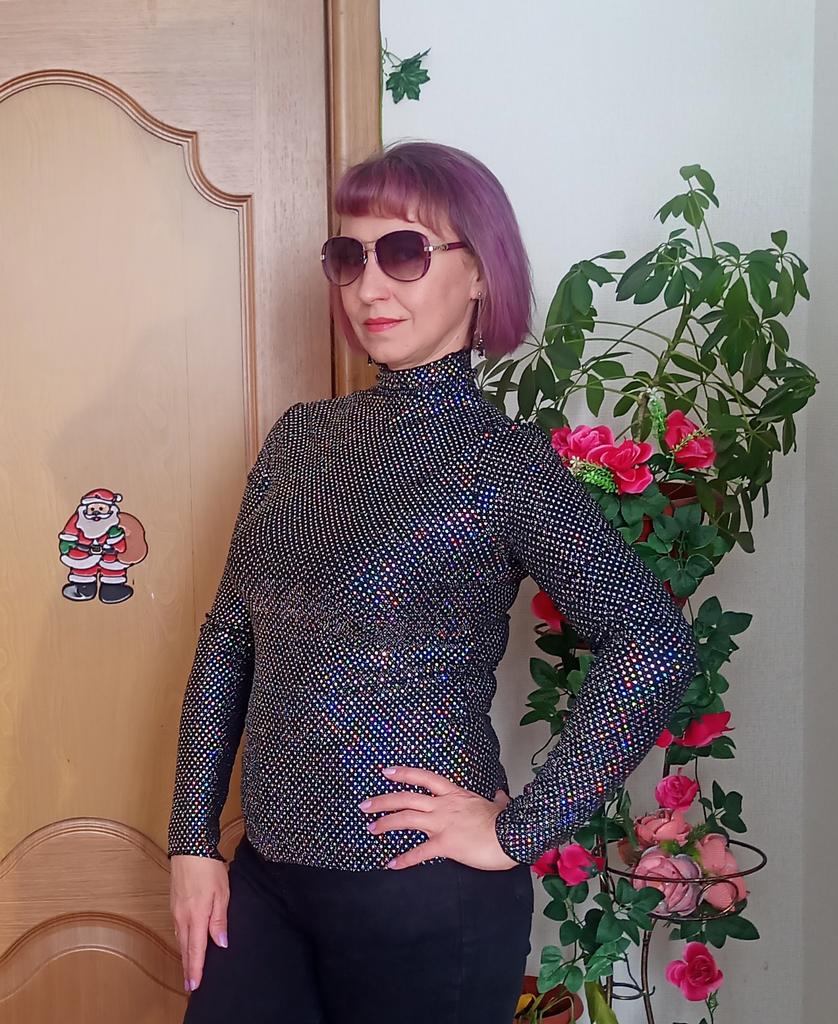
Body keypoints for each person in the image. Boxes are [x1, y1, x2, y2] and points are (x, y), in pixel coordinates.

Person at [166, 141, 698, 1023]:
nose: (369, 286)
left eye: (404, 252)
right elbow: (230, 638)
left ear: (480, 270)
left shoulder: (503, 462)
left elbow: (652, 644)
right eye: (349, 256)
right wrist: (190, 841)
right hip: (266, 880)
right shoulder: (299, 439)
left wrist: (522, 828)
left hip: (424, 897)